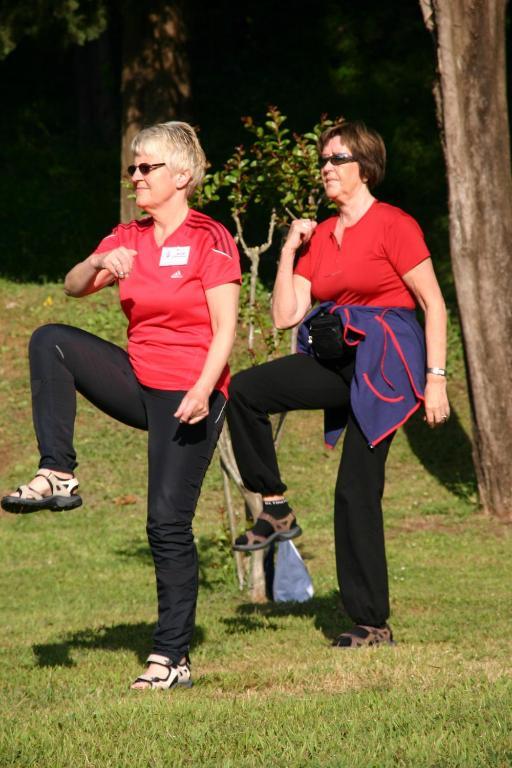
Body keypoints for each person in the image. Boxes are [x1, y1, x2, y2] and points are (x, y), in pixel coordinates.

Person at [1, 121, 241, 686]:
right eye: (132, 167)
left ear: (181, 176)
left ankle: (171, 659)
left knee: (166, 523)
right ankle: (58, 473)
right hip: (138, 378)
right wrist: (99, 264)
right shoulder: (128, 237)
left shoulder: (210, 237)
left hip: (191, 392)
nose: (135, 176)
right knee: (50, 340)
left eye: (146, 167)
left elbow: (226, 329)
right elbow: (72, 286)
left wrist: (204, 390)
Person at [227, 120, 449, 648]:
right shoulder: (322, 235)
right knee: (245, 391)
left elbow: (433, 304)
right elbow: (286, 316)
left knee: (355, 490)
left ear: (364, 167)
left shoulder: (395, 225)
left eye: (336, 159)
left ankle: (372, 623)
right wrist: (288, 250)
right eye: (322, 160)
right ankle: (275, 506)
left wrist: (436, 380)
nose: (326, 168)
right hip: (338, 356)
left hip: (387, 363)